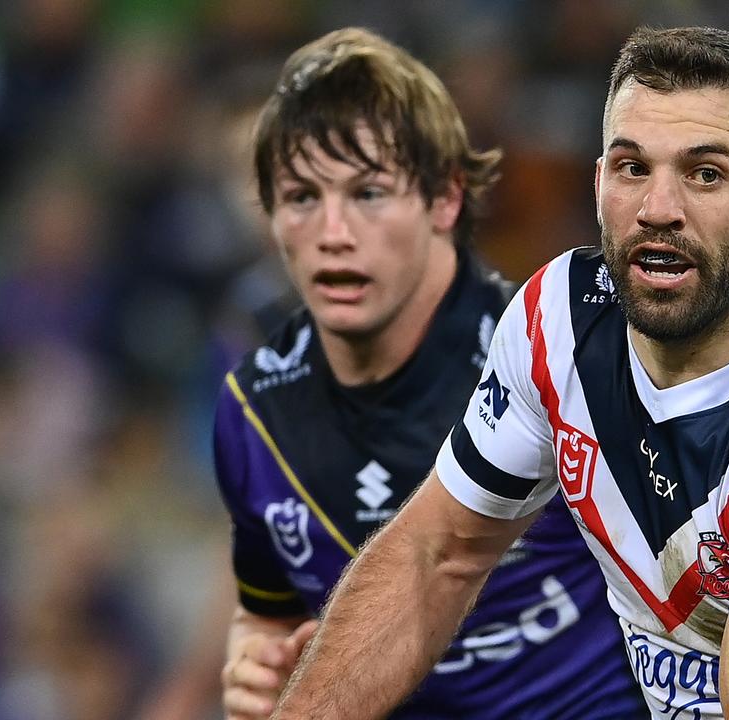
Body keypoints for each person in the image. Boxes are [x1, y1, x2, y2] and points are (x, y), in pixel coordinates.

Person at [273, 26, 729, 719]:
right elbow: (437, 555)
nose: (659, 208)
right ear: (598, 184)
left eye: (706, 174)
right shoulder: (558, 320)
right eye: (633, 168)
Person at [213, 27, 643, 719]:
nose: (332, 231)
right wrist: (253, 663)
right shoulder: (252, 411)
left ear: (445, 199)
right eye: (299, 198)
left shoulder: (561, 352)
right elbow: (264, 615)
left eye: (369, 193)